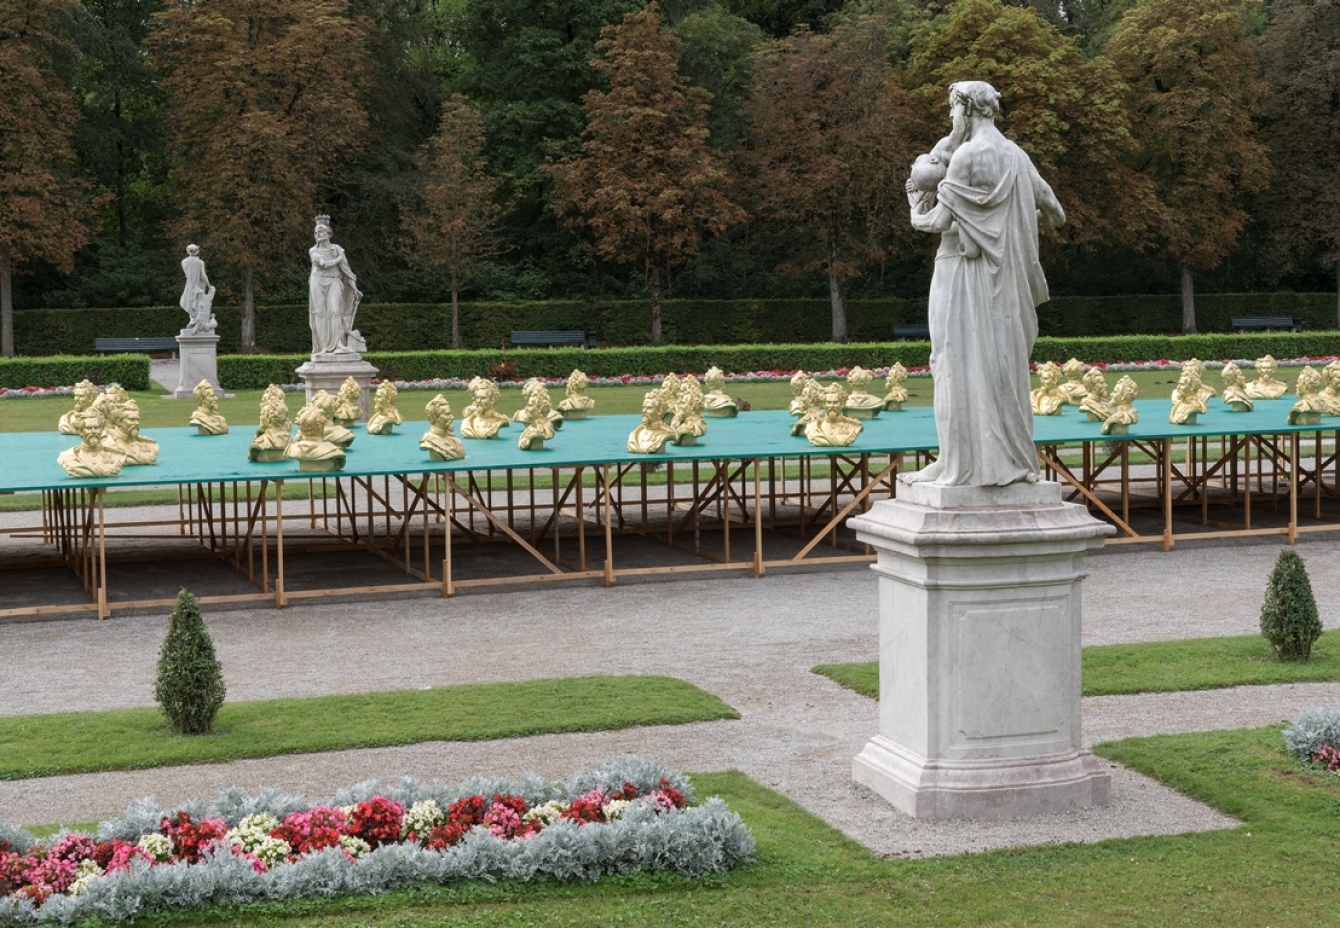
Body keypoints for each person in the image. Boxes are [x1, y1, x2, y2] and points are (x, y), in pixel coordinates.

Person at [900, 81, 1065, 487]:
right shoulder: (1017, 156)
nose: (950, 116)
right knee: (998, 367)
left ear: (966, 109)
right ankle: (990, 458)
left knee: (951, 363)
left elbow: (937, 222)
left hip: (962, 274)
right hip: (1004, 281)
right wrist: (1010, 221)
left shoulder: (967, 157)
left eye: (952, 109)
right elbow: (1055, 213)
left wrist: (913, 208)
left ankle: (956, 463)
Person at [308, 216, 365, 356]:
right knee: (319, 313)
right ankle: (323, 348)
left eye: (320, 231)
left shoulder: (337, 249)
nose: (317, 234)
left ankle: (338, 344)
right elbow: (322, 264)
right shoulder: (313, 250)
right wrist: (338, 258)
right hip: (317, 281)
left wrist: (354, 288)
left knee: (335, 310)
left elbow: (346, 271)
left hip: (334, 280)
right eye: (315, 232)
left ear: (329, 233)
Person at [179, 244, 217, 334]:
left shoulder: (184, 262)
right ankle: (196, 324)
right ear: (197, 251)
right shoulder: (200, 262)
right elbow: (203, 276)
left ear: (188, 251)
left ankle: (194, 323)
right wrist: (209, 285)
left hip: (189, 286)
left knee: (191, 305)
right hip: (198, 286)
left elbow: (187, 274)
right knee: (199, 306)